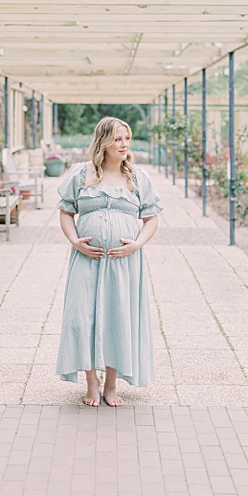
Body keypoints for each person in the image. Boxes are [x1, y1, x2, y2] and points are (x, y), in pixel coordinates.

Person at [55, 117, 162, 407]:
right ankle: (92, 383)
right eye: (118, 139)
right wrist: (75, 240)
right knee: (82, 319)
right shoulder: (81, 174)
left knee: (118, 318)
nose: (124, 144)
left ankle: (111, 386)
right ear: (103, 141)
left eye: (127, 138)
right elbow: (66, 212)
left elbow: (151, 218)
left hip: (123, 263)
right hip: (86, 260)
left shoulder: (138, 178)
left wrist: (137, 244)